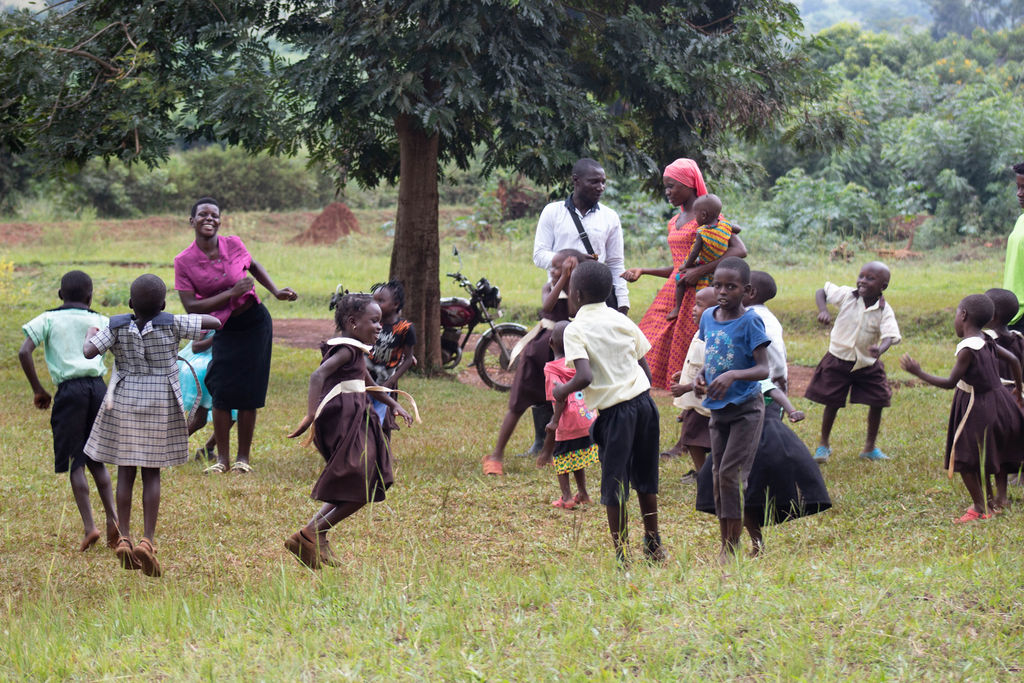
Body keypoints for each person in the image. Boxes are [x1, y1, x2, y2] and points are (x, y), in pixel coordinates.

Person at [83, 274, 220, 576]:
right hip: (161, 401)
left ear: (131, 303)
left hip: (125, 399)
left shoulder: (117, 325)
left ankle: (124, 537)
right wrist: (178, 317)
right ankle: (147, 540)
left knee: (125, 470)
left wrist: (93, 331)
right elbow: (215, 323)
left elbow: (89, 351)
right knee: (151, 473)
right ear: (163, 303)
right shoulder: (171, 323)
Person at [285, 294, 412, 570]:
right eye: (374, 321)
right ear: (353, 323)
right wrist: (310, 414)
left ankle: (311, 535)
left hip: (358, 417)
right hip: (343, 420)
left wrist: (394, 405)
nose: (380, 327)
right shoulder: (346, 350)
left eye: (381, 321)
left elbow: (368, 384)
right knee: (363, 482)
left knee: (366, 479)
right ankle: (313, 533)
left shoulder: (355, 351)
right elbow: (317, 376)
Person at [173, 197, 298, 475]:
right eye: (202, 214)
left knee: (249, 390)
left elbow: (253, 265)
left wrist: (276, 291)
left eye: (214, 215)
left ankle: (243, 459)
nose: (209, 219)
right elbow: (191, 307)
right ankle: (222, 460)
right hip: (223, 328)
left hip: (255, 323)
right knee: (221, 388)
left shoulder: (234, 244)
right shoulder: (184, 261)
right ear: (191, 221)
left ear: (219, 220)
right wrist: (230, 294)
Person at [554, 261, 664, 565]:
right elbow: (643, 362)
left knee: (614, 484)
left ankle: (622, 553)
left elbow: (584, 376)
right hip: (644, 404)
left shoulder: (575, 329)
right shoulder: (620, 319)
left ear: (575, 294)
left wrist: (561, 391)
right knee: (646, 478)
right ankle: (653, 543)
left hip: (616, 414)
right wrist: (640, 392)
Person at [622, 158, 746, 391]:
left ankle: (691, 388)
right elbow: (679, 266)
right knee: (649, 335)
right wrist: (644, 271)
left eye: (672, 186)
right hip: (674, 289)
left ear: (689, 184)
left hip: (700, 291)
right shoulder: (674, 221)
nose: (667, 192)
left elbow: (740, 250)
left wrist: (701, 270)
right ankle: (654, 384)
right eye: (666, 186)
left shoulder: (710, 218)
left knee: (692, 340)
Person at [18, 270, 119, 552]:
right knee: (97, 457)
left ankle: (90, 526)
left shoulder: (48, 318)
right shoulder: (100, 319)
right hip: (98, 389)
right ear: (90, 296)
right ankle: (114, 521)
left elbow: (25, 352)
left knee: (76, 460)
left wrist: (38, 389)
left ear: (60, 295)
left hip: (70, 391)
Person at [900, 294, 1024, 521]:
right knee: (984, 453)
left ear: (964, 315)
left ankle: (979, 508)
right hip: (999, 401)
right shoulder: (987, 340)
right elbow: (1015, 361)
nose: (955, 319)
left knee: (966, 459)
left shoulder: (968, 348)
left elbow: (949, 383)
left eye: (957, 314)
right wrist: (1017, 389)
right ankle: (990, 501)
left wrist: (918, 372)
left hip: (977, 406)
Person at [696, 381, 832, 555]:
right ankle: (754, 543)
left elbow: (774, 391)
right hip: (739, 435)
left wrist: (791, 410)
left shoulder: (751, 373)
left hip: (762, 438)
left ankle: (752, 544)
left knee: (745, 495)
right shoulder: (729, 374)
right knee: (742, 497)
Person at [694, 257, 771, 563]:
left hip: (746, 409)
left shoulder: (750, 321)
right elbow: (710, 358)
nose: (722, 291)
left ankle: (733, 545)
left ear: (747, 290)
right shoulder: (709, 317)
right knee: (716, 474)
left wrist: (733, 375)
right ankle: (728, 540)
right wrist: (702, 377)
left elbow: (764, 368)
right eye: (717, 285)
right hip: (717, 409)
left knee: (730, 473)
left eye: (731, 286)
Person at [482, 249, 583, 475]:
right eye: (553, 267)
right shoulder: (548, 287)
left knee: (559, 403)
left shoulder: (576, 290)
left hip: (561, 351)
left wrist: (571, 281)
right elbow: (547, 306)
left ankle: (548, 452)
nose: (554, 271)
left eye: (559, 267)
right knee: (518, 401)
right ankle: (497, 454)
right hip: (538, 350)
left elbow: (573, 311)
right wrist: (563, 278)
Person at [805, 261, 900, 463]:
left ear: (883, 286)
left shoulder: (884, 310)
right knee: (832, 402)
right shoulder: (847, 295)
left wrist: (880, 349)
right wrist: (823, 310)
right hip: (838, 359)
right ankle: (823, 445)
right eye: (861, 276)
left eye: (870, 278)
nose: (862, 281)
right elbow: (821, 291)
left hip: (867, 363)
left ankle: (869, 448)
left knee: (879, 400)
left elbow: (890, 336)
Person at [532, 158, 629, 314]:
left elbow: (615, 263)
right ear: (576, 181)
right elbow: (539, 255)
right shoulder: (552, 212)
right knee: (560, 334)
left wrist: (623, 303)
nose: (601, 188)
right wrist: (572, 260)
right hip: (561, 294)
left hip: (596, 300)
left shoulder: (610, 217)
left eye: (603, 182)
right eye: (594, 182)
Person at [537, 321, 598, 509]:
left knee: (562, 459)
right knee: (577, 456)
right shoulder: (579, 364)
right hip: (586, 417)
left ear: (550, 343)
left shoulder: (551, 369)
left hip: (567, 421)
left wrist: (554, 422)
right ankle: (584, 493)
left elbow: (559, 397)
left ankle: (567, 497)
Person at [668, 286, 718, 479]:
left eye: (699, 305)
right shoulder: (700, 333)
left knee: (706, 438)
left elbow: (713, 373)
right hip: (695, 402)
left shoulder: (715, 338)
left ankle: (708, 473)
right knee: (691, 438)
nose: (693, 309)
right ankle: (702, 472)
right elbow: (698, 364)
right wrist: (684, 374)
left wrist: (684, 388)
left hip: (706, 401)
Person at [666, 193, 740, 321]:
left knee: (679, 279)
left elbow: (694, 252)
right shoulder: (724, 225)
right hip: (717, 267)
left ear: (704, 215)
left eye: (696, 214)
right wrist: (729, 227)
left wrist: (686, 265)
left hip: (703, 262)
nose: (695, 218)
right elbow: (737, 229)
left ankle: (677, 308)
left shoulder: (702, 232)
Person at [176, 331, 236, 460]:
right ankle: (171, 446)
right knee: (199, 419)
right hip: (203, 368)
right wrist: (217, 336)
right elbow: (196, 347)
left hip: (226, 364)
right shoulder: (211, 319)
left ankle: (208, 448)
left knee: (233, 414)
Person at [368, 280, 416, 433]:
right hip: (365, 379)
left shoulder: (405, 328)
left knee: (382, 420)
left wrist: (392, 380)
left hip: (385, 383)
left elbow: (409, 359)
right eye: (373, 300)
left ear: (395, 304)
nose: (375, 304)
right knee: (363, 414)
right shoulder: (370, 324)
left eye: (380, 301)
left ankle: (383, 453)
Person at [746, 271, 788, 392]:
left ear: (751, 293)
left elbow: (774, 344)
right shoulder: (761, 315)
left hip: (769, 384)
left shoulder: (759, 318)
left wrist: (779, 373)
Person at [983, 288, 1024, 383]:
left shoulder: (985, 343)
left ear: (992, 316)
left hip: (992, 396)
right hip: (1015, 394)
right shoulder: (1020, 340)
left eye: (982, 308)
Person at [1003, 162, 1024, 333]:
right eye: (1018, 187)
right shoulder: (1021, 220)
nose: (1019, 194)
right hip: (1011, 311)